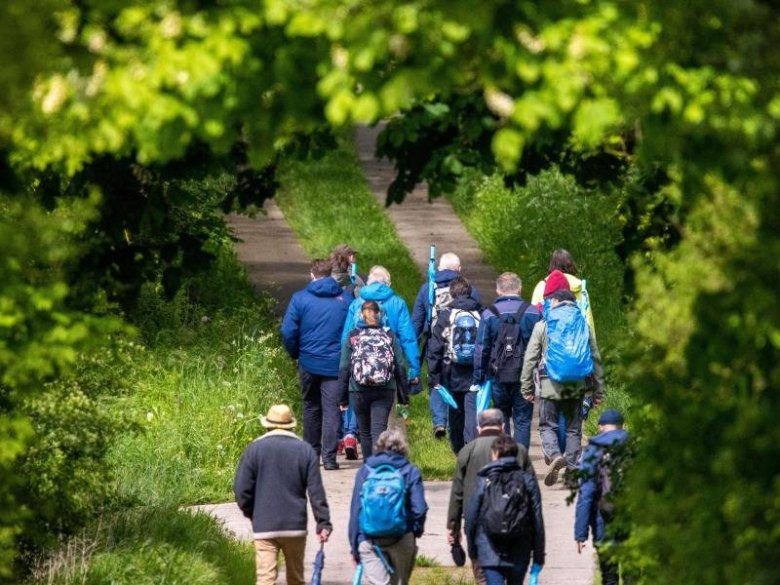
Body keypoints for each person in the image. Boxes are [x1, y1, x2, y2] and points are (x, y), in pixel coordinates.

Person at [234, 404, 332, 585]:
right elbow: (316, 491)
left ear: (267, 425)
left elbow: (241, 490)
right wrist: (323, 522)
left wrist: (253, 513)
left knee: (265, 579)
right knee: (296, 579)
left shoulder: (254, 450)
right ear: (291, 425)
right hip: (295, 526)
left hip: (265, 525)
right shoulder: (305, 450)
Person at [520, 289, 605, 486]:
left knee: (548, 425)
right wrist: (598, 391)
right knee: (574, 429)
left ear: (556, 301)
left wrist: (526, 388)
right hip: (576, 385)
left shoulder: (544, 324)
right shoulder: (583, 324)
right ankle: (574, 470)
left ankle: (554, 454)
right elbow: (596, 359)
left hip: (550, 383)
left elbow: (530, 357)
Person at [340, 266, 421, 458]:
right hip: (389, 373)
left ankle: (371, 464)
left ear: (368, 283)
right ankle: (396, 456)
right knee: (393, 420)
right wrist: (414, 368)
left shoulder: (357, 303)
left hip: (359, 378)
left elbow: (346, 339)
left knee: (367, 428)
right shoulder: (397, 302)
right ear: (388, 283)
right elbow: (408, 338)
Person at [281, 258, 353, 470]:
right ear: (331, 274)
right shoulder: (346, 298)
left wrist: (295, 353)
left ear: (312, 275)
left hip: (308, 361)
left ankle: (310, 454)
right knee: (332, 409)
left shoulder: (300, 298)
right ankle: (329, 459)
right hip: (334, 364)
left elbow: (288, 331)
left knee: (311, 407)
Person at [447, 409, 534, 585]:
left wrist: (453, 527)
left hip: (480, 524)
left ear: (479, 428)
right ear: (502, 427)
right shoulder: (520, 450)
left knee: (484, 578)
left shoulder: (468, 451)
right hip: (514, 525)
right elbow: (531, 492)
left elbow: (457, 492)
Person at [411, 252, 481, 437]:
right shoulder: (470, 290)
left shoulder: (427, 288)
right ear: (459, 270)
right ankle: (455, 423)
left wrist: (412, 346)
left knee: (437, 380)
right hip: (462, 345)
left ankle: (439, 421)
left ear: (439, 268)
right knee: (459, 382)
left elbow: (417, 322)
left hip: (435, 341)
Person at [349, 428, 428, 585]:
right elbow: (419, 509)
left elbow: (356, 511)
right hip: (402, 537)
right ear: (403, 449)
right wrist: (413, 532)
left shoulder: (365, 471)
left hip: (369, 539)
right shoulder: (410, 471)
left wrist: (354, 545)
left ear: (377, 448)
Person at [472, 272, 541, 449]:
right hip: (524, 376)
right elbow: (542, 347)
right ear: (520, 288)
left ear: (497, 290)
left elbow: (481, 348)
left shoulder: (488, 314)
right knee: (523, 421)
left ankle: (506, 459)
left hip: (497, 376)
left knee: (502, 418)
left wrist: (479, 376)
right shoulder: (533, 313)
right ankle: (521, 462)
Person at [464, 435, 545, 585]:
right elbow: (537, 519)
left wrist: (473, 550)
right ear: (516, 455)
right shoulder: (527, 480)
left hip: (489, 549)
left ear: (494, 454)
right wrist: (538, 555)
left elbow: (471, 518)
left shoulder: (484, 480)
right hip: (520, 548)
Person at [574, 409, 630, 585]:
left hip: (603, 521)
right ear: (622, 426)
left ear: (600, 427)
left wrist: (580, 533)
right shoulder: (634, 445)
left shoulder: (594, 449)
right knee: (632, 573)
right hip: (634, 520)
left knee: (609, 576)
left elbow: (587, 493)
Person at [427, 276, 482, 453]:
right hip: (474, 371)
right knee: (471, 410)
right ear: (469, 291)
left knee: (455, 411)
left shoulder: (446, 315)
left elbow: (435, 347)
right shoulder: (481, 312)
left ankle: (458, 450)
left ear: (451, 293)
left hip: (451, 371)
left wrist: (433, 374)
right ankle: (471, 448)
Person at [530, 249, 594, 332]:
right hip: (575, 337)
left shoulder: (542, 286)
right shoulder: (581, 287)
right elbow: (587, 318)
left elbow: (533, 317)